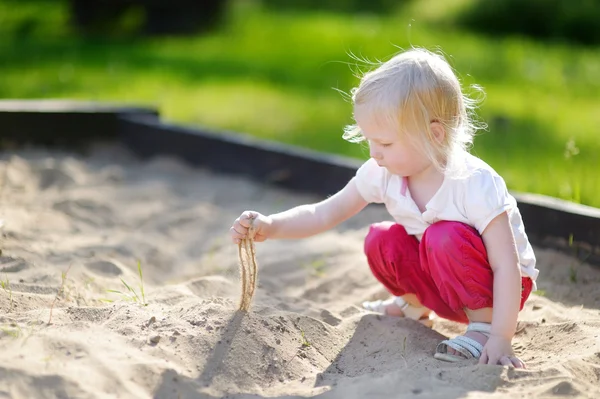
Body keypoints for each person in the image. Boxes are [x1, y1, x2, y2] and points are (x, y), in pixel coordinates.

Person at [229, 47, 539, 368]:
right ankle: (413, 305)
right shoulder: (383, 171)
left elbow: (507, 265)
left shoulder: (473, 183)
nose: (375, 153)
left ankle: (483, 328)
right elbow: (326, 212)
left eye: (386, 143)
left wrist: (502, 336)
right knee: (382, 238)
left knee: (442, 235)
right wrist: (271, 225)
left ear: (434, 135)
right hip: (444, 281)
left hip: (500, 291)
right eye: (369, 140)